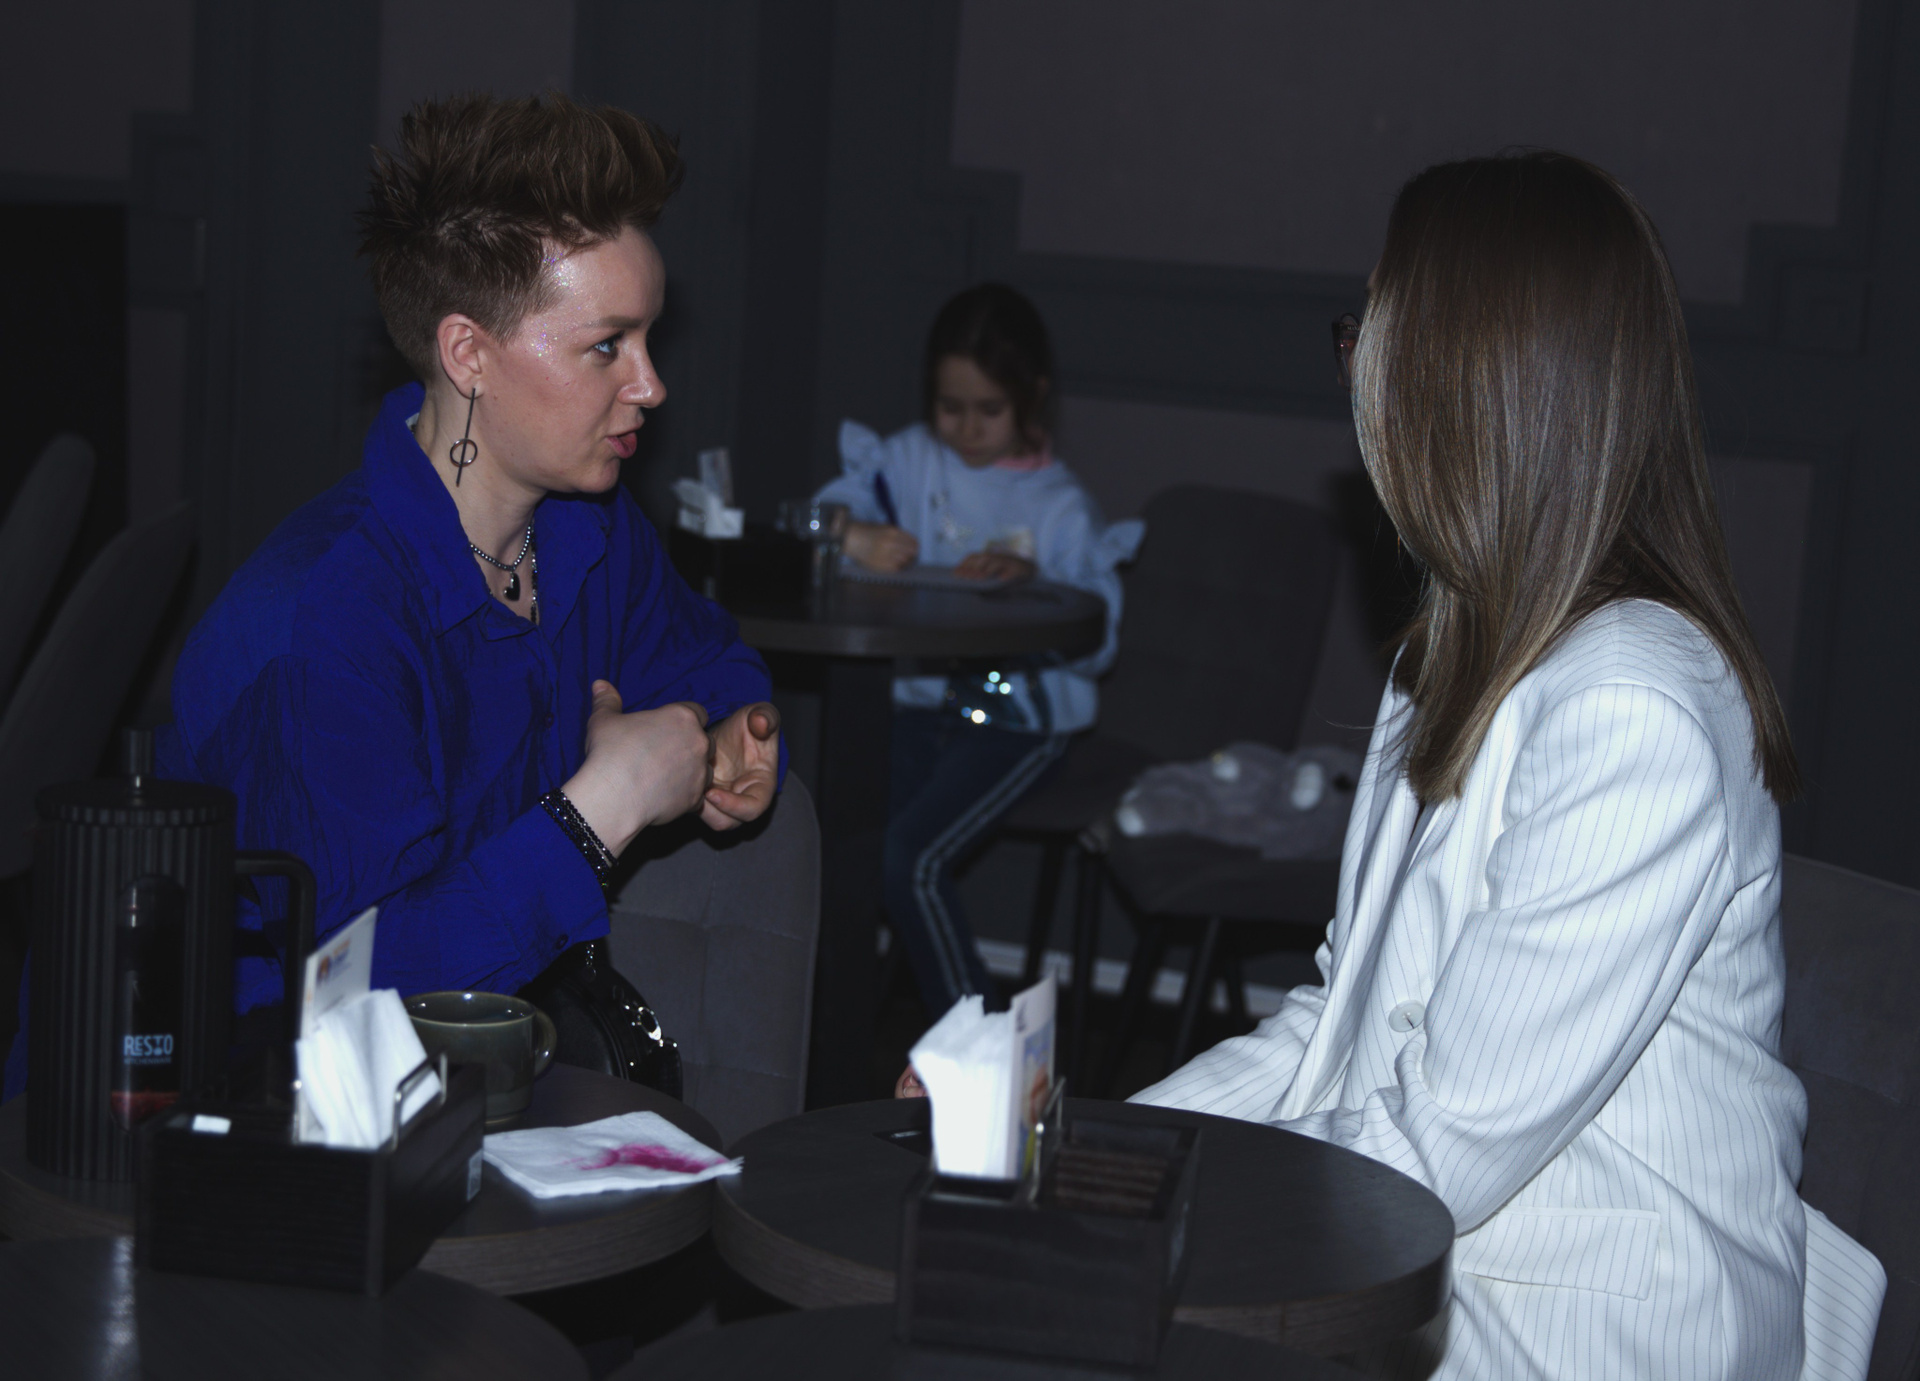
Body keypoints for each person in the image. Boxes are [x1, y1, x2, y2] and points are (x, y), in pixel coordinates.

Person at [1129, 153, 1884, 1380]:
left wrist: (1133, 1214)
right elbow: (1339, 1020)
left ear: (1457, 382)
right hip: (1454, 1260)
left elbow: (1445, 1145)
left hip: (1592, 1326)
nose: (1355, 377)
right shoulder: (1447, 654)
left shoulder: (1632, 706)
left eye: (1370, 337)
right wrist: (1089, 1149)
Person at [2, 94, 784, 1088]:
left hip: (450, 1090)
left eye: (649, 339)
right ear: (469, 355)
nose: (651, 384)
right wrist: (602, 807)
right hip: (197, 1112)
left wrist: (735, 728)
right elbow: (356, 995)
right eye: (607, 345)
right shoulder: (325, 622)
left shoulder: (589, 528)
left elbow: (704, 654)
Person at [816, 284, 1142, 1014]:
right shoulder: (907, 461)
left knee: (908, 860)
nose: (965, 429)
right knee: (849, 850)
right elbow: (816, 517)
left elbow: (1097, 642)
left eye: (988, 410)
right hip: (918, 709)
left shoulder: (1060, 508)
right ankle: (833, 1034)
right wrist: (851, 533)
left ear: (1032, 395)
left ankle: (988, 1050)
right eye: (949, 407)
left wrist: (1036, 581)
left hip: (1022, 724)